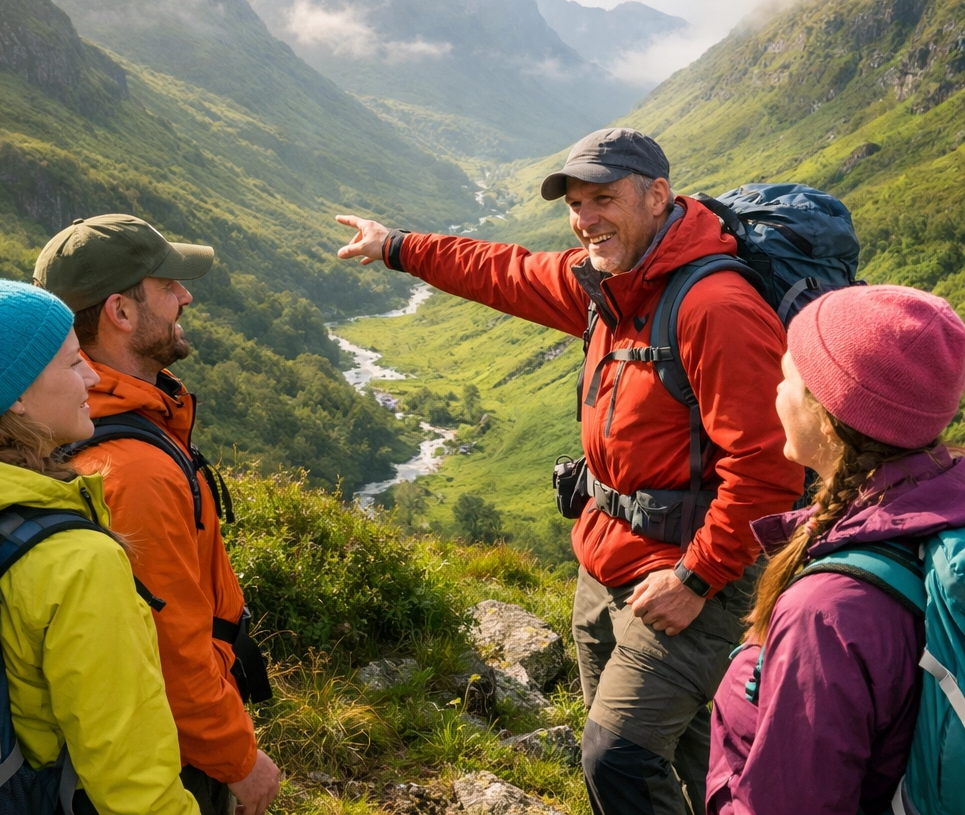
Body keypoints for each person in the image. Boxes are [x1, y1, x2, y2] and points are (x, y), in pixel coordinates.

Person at [337, 127, 804, 815]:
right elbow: (503, 269)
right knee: (691, 749)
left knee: (616, 758)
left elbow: (769, 469)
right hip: (605, 565)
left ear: (657, 196)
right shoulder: (608, 285)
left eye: (603, 199)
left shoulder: (714, 307)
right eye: (576, 203)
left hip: (688, 578)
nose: (586, 219)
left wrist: (697, 576)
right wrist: (396, 247)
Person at [33, 215, 281, 815]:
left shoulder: (79, 420)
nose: (186, 296)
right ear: (120, 311)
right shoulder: (133, 471)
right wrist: (240, 762)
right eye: (168, 285)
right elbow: (171, 652)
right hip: (178, 750)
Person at [0, 279, 201, 815]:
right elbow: (135, 785)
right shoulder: (78, 562)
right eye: (70, 363)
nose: (90, 375)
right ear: (12, 393)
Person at [707, 284, 965, 815]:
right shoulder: (944, 508)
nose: (776, 394)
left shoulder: (826, 612)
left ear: (828, 417)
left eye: (789, 379)